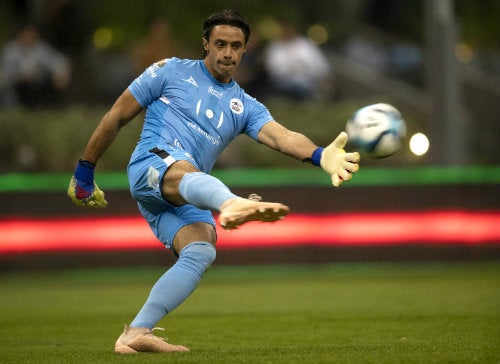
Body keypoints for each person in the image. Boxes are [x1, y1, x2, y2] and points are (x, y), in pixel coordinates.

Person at [67, 9, 360, 354]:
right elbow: (116, 115)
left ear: (245, 49)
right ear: (205, 44)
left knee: (201, 248)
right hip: (153, 164)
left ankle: (135, 333)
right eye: (220, 44)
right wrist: (85, 169)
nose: (227, 53)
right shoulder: (169, 70)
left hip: (186, 191)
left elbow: (282, 136)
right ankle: (230, 203)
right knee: (188, 172)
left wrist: (320, 154)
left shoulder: (245, 106)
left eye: (236, 46)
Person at [0, 22, 71, 109]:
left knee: (47, 84)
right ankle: (11, 109)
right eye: (26, 34)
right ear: (19, 35)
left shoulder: (41, 48)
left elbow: (60, 61)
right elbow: (4, 72)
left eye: (32, 35)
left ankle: (46, 108)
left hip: (37, 86)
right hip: (15, 86)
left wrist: (61, 73)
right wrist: (17, 76)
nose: (29, 37)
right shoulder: (10, 50)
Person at [263, 21, 331, 100]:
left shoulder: (306, 44)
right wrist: (296, 66)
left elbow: (320, 65)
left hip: (309, 81)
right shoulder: (274, 47)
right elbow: (274, 70)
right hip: (283, 83)